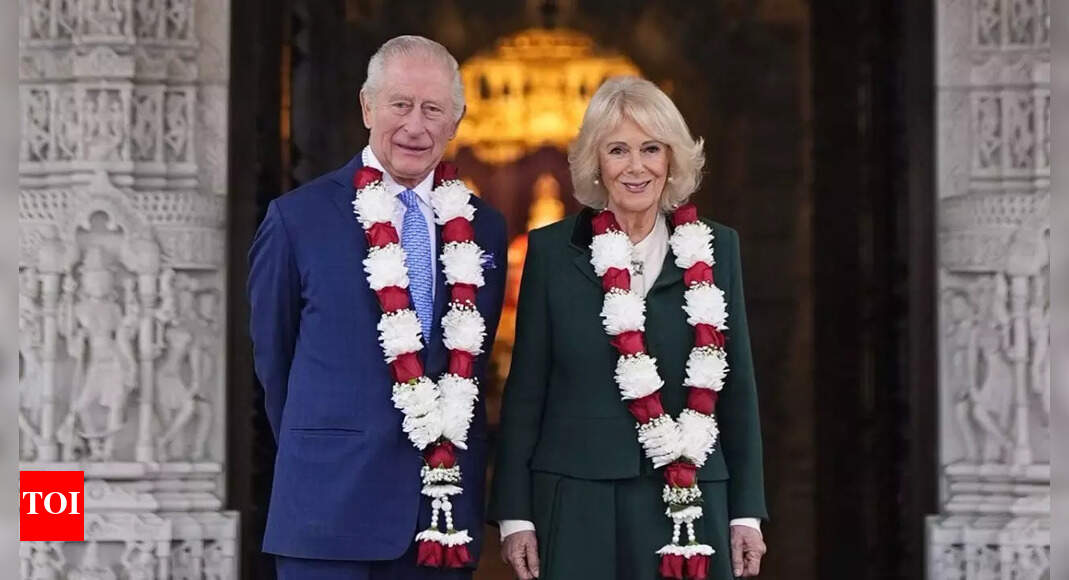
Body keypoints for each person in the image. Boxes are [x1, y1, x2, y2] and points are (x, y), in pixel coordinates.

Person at [248, 35, 507, 579]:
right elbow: (274, 364)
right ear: (367, 107)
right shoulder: (297, 219)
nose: (415, 126)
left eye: (433, 109)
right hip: (328, 512)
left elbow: (472, 367)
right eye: (400, 104)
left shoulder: (484, 227)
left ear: (456, 121)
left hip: (439, 521)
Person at [488, 77, 768, 580]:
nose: (636, 167)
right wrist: (515, 516)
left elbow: (738, 387)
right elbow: (526, 390)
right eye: (617, 150)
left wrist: (746, 512)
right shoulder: (551, 253)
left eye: (650, 149)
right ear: (596, 163)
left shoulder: (717, 248)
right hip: (578, 500)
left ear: (672, 159)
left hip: (692, 498)